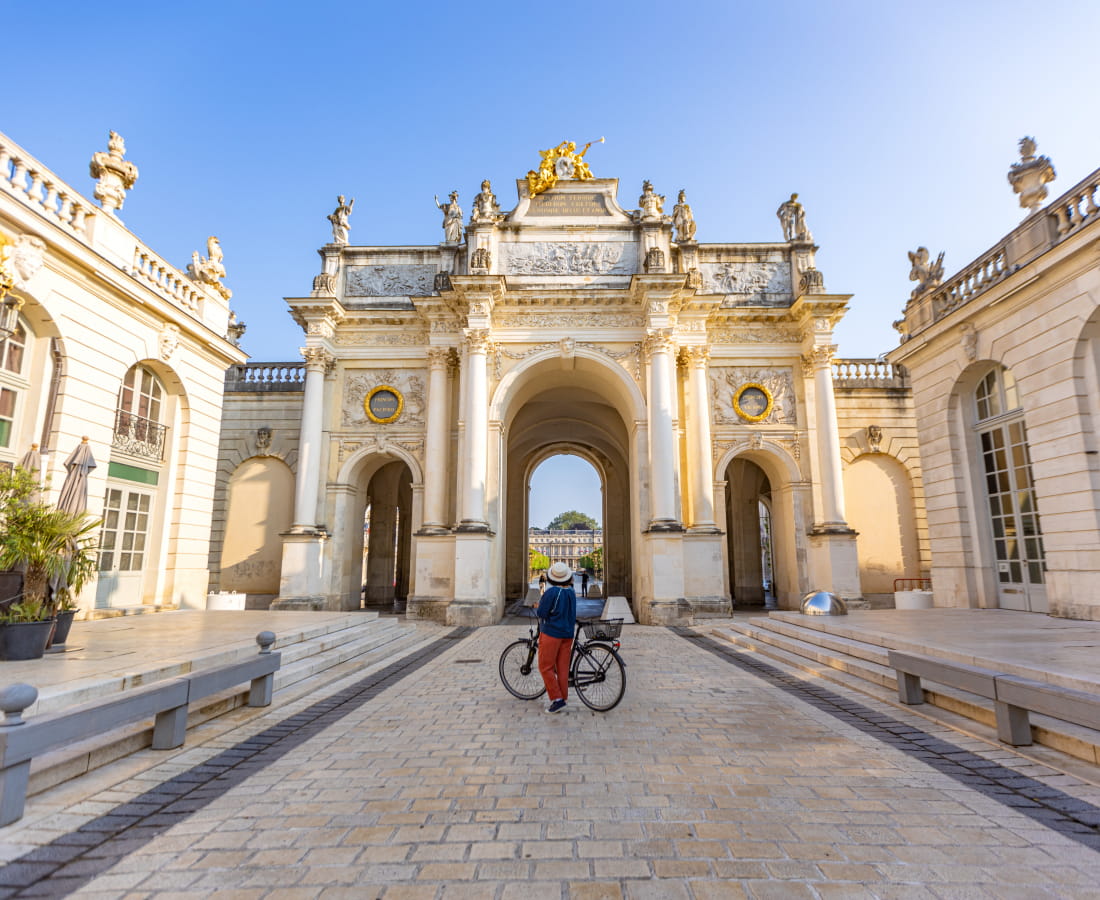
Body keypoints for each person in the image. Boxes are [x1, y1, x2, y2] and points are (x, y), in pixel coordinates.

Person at [537, 561, 577, 713]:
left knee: (545, 666)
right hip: (568, 634)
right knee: (562, 668)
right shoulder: (571, 592)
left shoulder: (552, 592)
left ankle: (557, 698)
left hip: (552, 633)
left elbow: (542, 613)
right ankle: (562, 696)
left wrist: (539, 607)